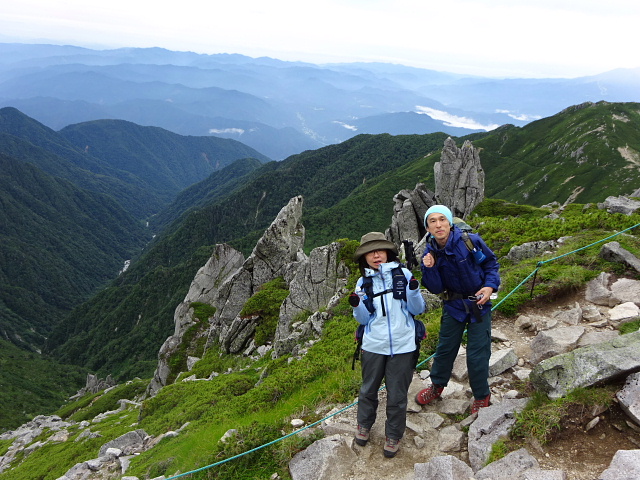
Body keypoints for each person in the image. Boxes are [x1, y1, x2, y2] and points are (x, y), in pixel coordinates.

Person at [415, 205, 500, 414]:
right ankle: (437, 386)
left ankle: (481, 395)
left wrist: (489, 287)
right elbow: (435, 288)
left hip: (479, 304)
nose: (438, 225)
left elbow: (491, 264)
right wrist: (429, 268)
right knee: (445, 349)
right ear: (428, 227)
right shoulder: (430, 252)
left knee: (477, 353)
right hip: (453, 305)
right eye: (432, 221)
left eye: (442, 219)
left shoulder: (469, 241)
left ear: (449, 222)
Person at [349, 232, 426, 458]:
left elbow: (417, 309)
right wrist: (356, 306)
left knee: (397, 394)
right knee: (368, 390)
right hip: (374, 344)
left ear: (387, 252)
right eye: (370, 252)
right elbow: (364, 319)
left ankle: (393, 435)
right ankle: (364, 425)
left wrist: (412, 291)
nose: (375, 255)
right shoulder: (363, 282)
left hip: (403, 344)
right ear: (364, 258)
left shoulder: (403, 274)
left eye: (379, 250)